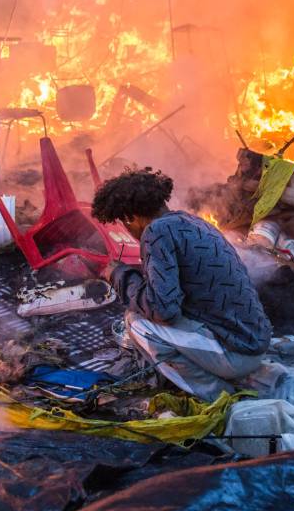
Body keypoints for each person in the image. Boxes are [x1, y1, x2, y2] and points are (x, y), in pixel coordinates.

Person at [92, 167, 272, 401]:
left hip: (237, 355)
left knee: (136, 322)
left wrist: (119, 275)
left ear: (131, 218)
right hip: (254, 344)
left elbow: (163, 309)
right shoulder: (193, 222)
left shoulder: (156, 232)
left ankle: (218, 396)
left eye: (124, 224)